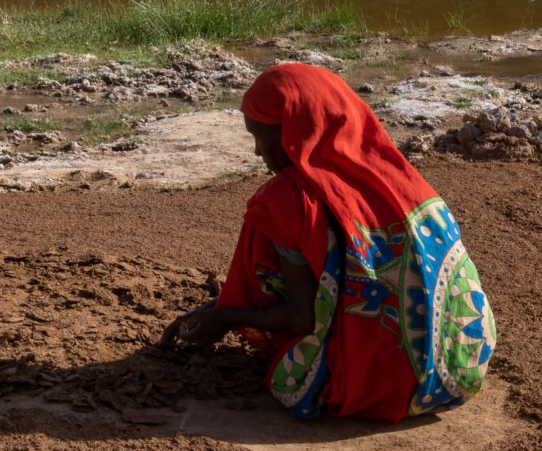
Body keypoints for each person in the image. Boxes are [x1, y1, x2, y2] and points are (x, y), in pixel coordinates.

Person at [161, 63, 496, 422]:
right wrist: (221, 303)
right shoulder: (395, 177)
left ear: (295, 132)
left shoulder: (286, 199)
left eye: (260, 137)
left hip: (373, 388)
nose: (259, 152)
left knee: (288, 361)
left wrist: (226, 316)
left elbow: (302, 319)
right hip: (459, 371)